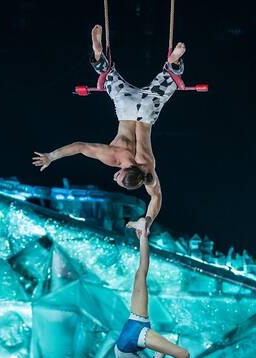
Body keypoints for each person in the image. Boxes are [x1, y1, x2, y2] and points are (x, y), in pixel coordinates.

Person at [33, 25, 187, 233]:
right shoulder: (113, 157)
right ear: (124, 169)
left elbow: (156, 197)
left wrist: (147, 220)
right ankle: (99, 60)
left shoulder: (147, 168)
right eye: (120, 179)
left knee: (171, 79)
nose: (115, 178)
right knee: (106, 74)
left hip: (147, 111)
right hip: (126, 108)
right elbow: (80, 146)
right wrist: (51, 156)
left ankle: (173, 64)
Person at [115, 217, 191, 358]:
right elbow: (160, 352)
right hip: (136, 331)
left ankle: (141, 231)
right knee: (183, 355)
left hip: (132, 329)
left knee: (140, 273)